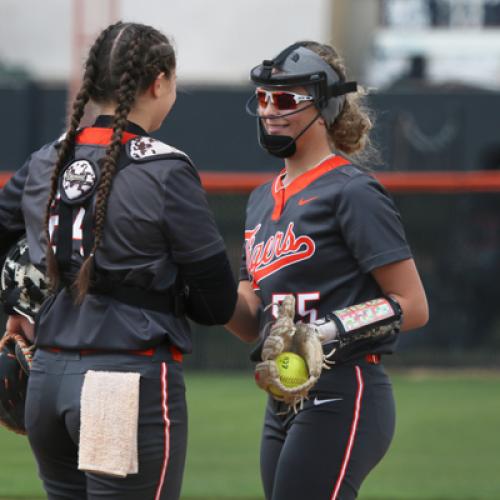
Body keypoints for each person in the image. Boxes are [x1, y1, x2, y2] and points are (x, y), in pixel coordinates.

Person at [0, 21, 258, 500]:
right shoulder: (165, 168)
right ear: (157, 82)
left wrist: (18, 304)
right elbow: (217, 303)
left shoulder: (46, 159)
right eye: (174, 83)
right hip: (121, 383)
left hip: (48, 380)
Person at [226, 41, 429, 500]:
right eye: (263, 98)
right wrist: (202, 287)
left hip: (346, 386)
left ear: (326, 106)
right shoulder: (260, 198)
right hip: (283, 388)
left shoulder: (352, 191)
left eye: (286, 99)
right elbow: (249, 320)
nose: (270, 110)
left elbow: (414, 306)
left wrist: (325, 331)